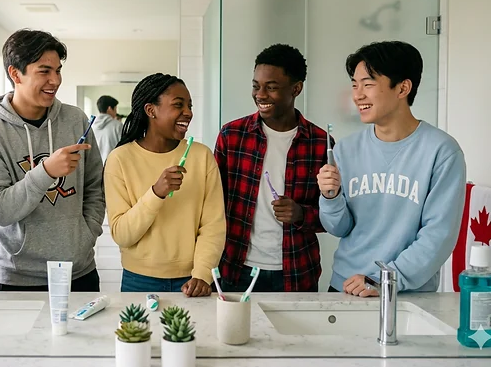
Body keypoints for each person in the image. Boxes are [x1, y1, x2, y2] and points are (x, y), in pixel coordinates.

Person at [317, 41, 466, 296]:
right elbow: (338, 228)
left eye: (368, 84)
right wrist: (330, 197)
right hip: (347, 287)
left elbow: (438, 236)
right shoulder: (346, 149)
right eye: (355, 84)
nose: (357, 95)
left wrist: (384, 280)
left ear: (403, 88)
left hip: (409, 294)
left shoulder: (442, 151)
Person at [0, 29, 105, 292]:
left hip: (79, 271)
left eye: (58, 70)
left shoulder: (75, 119)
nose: (54, 80)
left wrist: (86, 234)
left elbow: (95, 187)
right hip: (18, 277)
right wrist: (45, 172)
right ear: (15, 73)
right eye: (44, 71)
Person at [215, 44, 332, 293]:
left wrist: (301, 214)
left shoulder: (322, 143)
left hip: (297, 272)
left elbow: (336, 216)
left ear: (296, 88)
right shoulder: (232, 136)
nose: (260, 94)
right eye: (256, 86)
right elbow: (213, 204)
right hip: (237, 269)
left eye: (272, 87)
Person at [104, 73, 226, 297]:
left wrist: (202, 273)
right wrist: (156, 193)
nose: (188, 112)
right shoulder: (120, 159)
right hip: (138, 280)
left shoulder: (201, 156)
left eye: (190, 105)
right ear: (151, 110)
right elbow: (122, 234)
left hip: (192, 280)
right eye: (178, 105)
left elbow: (213, 225)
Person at [93, 95, 124, 163]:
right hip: (113, 166)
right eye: (115, 109)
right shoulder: (117, 125)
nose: (116, 112)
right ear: (109, 109)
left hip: (96, 167)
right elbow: (124, 147)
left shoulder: (92, 126)